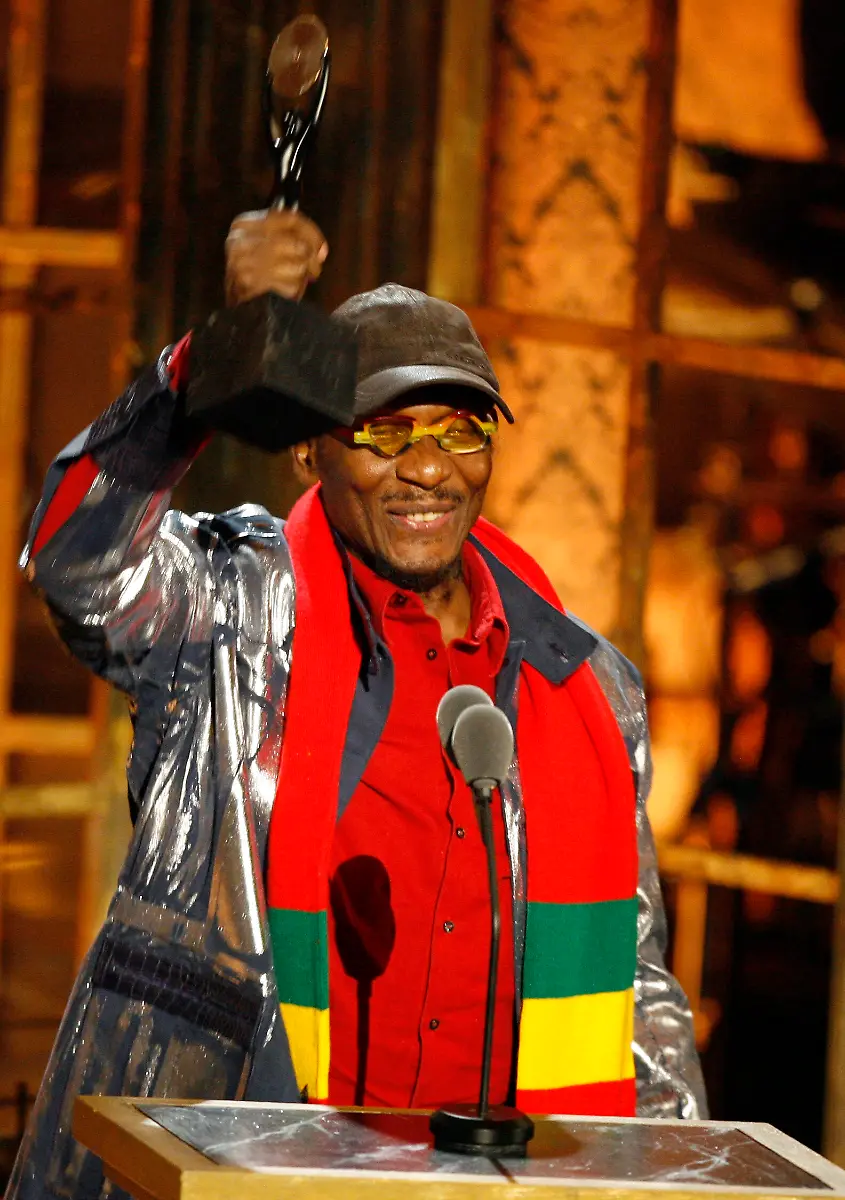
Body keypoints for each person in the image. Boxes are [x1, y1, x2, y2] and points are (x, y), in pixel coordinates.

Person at [10, 210, 706, 1200]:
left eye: (459, 430)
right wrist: (206, 365)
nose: (427, 468)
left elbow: (633, 992)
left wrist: (683, 1178)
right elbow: (78, 559)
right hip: (242, 1167)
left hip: (495, 1184)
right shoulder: (228, 616)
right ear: (308, 453)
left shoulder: (586, 687)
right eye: (381, 432)